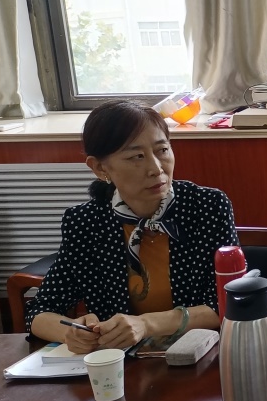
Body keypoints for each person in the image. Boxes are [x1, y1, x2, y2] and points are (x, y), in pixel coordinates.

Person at [26, 99, 237, 353]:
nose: (156, 168)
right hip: (122, 364)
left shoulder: (206, 207)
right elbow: (40, 310)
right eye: (136, 156)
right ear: (100, 168)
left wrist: (146, 324)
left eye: (162, 150)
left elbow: (229, 302)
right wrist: (71, 332)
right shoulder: (86, 223)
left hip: (200, 355)